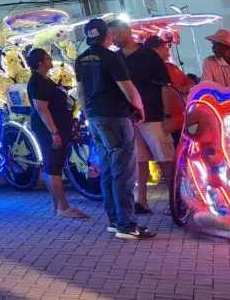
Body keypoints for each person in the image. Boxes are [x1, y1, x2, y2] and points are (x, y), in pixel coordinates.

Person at [73, 18, 153, 240]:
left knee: (108, 170)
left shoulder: (80, 59)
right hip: (116, 117)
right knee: (124, 173)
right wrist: (140, 108)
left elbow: (80, 91)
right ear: (106, 34)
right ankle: (127, 226)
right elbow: (128, 89)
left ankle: (114, 220)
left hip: (96, 117)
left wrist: (88, 114)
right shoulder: (111, 58)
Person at [110, 19, 174, 215]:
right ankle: (142, 201)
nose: (113, 39)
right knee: (139, 160)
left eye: (116, 34)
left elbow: (165, 86)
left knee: (165, 157)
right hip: (129, 117)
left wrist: (167, 115)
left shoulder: (149, 56)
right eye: (111, 35)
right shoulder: (116, 58)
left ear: (126, 32)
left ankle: (175, 199)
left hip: (153, 114)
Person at [25, 47, 86, 219]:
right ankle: (63, 207)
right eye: (47, 58)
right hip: (50, 129)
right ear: (40, 62)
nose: (51, 60)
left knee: (52, 166)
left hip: (58, 127)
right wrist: (54, 132)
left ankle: (57, 204)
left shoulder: (44, 80)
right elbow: (41, 109)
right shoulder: (37, 82)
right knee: (53, 166)